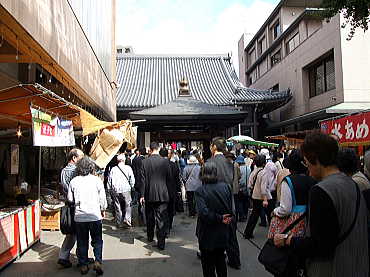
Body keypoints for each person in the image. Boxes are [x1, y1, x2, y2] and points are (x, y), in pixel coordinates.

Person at [274, 132, 369, 277]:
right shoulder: (353, 183)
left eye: (307, 162)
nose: (308, 170)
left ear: (316, 159)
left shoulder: (321, 191)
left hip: (331, 269)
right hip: (357, 266)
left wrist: (288, 240)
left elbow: (320, 245)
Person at [68, 156, 107, 275]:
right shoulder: (97, 180)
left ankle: (84, 264)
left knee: (82, 241)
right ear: (91, 167)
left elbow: (70, 199)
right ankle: (98, 262)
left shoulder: (74, 181)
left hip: (80, 216)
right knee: (97, 240)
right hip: (94, 215)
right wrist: (103, 209)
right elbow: (102, 198)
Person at [195, 161, 233, 277]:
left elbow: (203, 213)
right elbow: (231, 209)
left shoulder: (200, 191)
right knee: (221, 261)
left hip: (207, 233)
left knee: (208, 267)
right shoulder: (226, 187)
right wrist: (224, 218)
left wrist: (220, 218)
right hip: (222, 231)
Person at [208, 137, 241, 270]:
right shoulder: (230, 163)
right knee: (231, 233)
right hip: (228, 201)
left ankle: (215, 259)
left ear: (214, 147)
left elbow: (206, 185)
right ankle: (235, 260)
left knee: (213, 233)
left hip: (214, 202)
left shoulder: (210, 162)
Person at [139, 142, 171, 250]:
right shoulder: (165, 162)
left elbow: (142, 181)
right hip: (162, 193)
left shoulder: (144, 162)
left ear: (150, 150)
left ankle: (150, 236)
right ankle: (161, 243)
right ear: (158, 148)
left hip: (149, 193)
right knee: (161, 218)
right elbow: (169, 179)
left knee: (149, 216)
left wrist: (142, 195)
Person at [58, 148, 85, 268]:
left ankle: (63, 257)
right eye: (81, 157)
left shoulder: (63, 171)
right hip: (77, 205)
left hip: (68, 204)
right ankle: (81, 258)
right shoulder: (77, 171)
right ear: (74, 158)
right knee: (80, 232)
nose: (82, 160)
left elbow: (64, 187)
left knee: (71, 233)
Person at [108, 153, 135, 228]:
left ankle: (119, 222)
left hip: (115, 190)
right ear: (124, 160)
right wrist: (132, 186)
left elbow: (109, 180)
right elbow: (132, 179)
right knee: (128, 205)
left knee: (117, 206)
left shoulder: (113, 169)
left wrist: (109, 189)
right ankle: (127, 220)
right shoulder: (128, 168)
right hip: (126, 189)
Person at [243, 154, 267, 239]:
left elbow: (249, 185)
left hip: (254, 196)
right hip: (260, 197)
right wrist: (265, 199)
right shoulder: (263, 173)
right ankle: (248, 233)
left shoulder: (254, 172)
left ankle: (247, 232)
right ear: (264, 163)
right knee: (255, 215)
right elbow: (264, 188)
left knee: (254, 215)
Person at [259, 148, 278, 224]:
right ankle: (271, 222)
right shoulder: (272, 164)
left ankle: (267, 221)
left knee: (266, 208)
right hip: (272, 189)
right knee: (271, 208)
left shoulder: (261, 165)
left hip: (265, 190)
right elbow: (276, 175)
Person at [235, 155, 250, 222]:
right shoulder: (248, 168)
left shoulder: (239, 168)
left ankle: (241, 216)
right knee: (246, 202)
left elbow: (239, 179)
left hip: (240, 188)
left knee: (240, 202)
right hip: (247, 188)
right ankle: (246, 215)